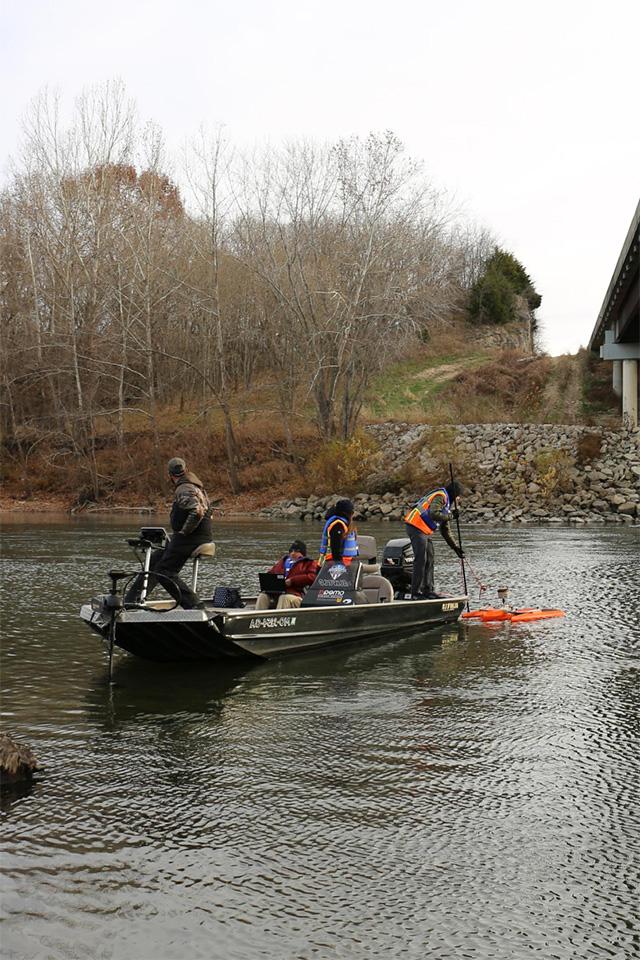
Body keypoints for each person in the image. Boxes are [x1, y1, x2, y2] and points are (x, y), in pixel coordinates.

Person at [125, 457, 213, 609]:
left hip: (191, 538)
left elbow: (198, 512)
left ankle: (194, 606)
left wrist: (183, 532)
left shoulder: (184, 488)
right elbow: (208, 513)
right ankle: (131, 602)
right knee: (155, 560)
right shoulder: (196, 486)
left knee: (165, 571)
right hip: (197, 536)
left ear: (170, 474)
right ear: (185, 470)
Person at [403, 481, 467, 599]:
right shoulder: (440, 497)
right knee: (421, 559)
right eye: (458, 496)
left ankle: (428, 590)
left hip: (424, 531)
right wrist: (452, 516)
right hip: (415, 526)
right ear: (454, 494)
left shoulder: (446, 504)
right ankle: (415, 593)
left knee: (430, 558)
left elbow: (445, 530)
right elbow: (433, 513)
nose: (458, 499)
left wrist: (455, 548)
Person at [255, 540, 319, 610]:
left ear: (302, 553)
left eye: (296, 551)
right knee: (263, 595)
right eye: (291, 551)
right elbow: (271, 573)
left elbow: (312, 577)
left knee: (284, 597)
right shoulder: (282, 562)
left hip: (297, 595)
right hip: (277, 594)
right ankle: (257, 618)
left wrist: (292, 581)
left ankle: (279, 619)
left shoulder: (309, 563)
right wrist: (265, 579)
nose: (293, 553)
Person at [318, 499, 359, 565]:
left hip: (346, 563)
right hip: (332, 565)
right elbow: (336, 548)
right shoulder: (338, 525)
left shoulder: (344, 523)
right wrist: (339, 565)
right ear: (347, 512)